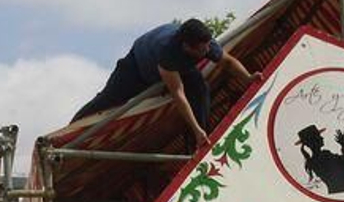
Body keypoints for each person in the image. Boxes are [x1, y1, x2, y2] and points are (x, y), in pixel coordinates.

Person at [72, 18, 255, 145]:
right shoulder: (168, 52)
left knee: (200, 88)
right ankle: (73, 126)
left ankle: (201, 140)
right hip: (136, 68)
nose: (207, 51)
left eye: (208, 46)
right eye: (202, 49)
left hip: (179, 68)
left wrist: (248, 79)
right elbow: (178, 93)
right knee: (109, 99)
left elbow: (228, 62)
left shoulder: (204, 44)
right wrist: (195, 128)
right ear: (187, 47)